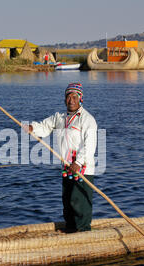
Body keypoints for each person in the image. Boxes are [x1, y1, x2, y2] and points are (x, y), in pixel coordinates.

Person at [23, 83, 98, 232]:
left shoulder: (87, 119)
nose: (71, 100)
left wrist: (78, 162)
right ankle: (70, 230)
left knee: (79, 202)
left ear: (80, 99)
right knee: (68, 202)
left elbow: (89, 145)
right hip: (67, 167)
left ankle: (83, 232)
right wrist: (31, 128)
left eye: (74, 97)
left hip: (82, 169)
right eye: (68, 96)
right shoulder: (60, 117)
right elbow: (45, 126)